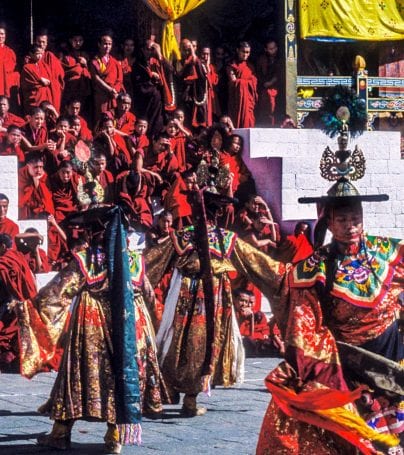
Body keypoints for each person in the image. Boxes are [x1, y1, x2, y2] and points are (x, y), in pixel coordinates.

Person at [255, 131, 404, 454]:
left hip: (395, 359)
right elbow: (304, 322)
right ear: (330, 223)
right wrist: (319, 370)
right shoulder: (315, 268)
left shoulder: (387, 251)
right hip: (350, 368)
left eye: (355, 219)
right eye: (342, 220)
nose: (350, 226)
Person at [35, 207, 147, 453]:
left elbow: (57, 292)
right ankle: (114, 435)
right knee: (120, 373)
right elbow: (145, 290)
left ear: (96, 230)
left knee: (78, 374)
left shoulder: (86, 259)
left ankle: (61, 432)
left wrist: (29, 307)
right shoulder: (135, 259)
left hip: (92, 321)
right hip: (128, 322)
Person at [90, 33, 124, 123]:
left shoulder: (115, 62)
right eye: (105, 44)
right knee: (100, 117)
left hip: (113, 95)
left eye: (109, 44)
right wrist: (109, 89)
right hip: (101, 95)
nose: (107, 46)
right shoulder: (95, 61)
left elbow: (119, 79)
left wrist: (115, 90)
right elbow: (96, 78)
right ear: (99, 44)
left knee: (112, 117)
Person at [227, 42, 257, 128]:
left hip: (248, 101)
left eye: (247, 52)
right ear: (237, 50)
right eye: (243, 51)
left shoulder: (250, 66)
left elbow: (254, 81)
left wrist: (245, 82)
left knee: (248, 121)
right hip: (236, 99)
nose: (245, 54)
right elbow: (233, 81)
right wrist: (245, 82)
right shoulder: (232, 65)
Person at [256, 40, 284, 127]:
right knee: (264, 107)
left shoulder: (280, 58)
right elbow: (258, 72)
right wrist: (264, 83)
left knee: (274, 107)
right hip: (263, 87)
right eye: (270, 49)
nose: (273, 50)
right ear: (266, 49)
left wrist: (271, 82)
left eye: (274, 48)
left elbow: (280, 73)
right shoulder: (262, 59)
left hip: (277, 87)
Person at [61, 32, 91, 108]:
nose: (78, 43)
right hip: (69, 88)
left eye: (80, 40)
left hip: (82, 89)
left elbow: (91, 73)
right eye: (75, 40)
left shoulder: (85, 55)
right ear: (71, 41)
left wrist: (86, 64)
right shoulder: (65, 55)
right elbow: (62, 71)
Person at [0, 26, 20, 110]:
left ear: (5, 36)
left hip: (6, 84)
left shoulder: (10, 52)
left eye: (2, 34)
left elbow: (11, 67)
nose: (0, 36)